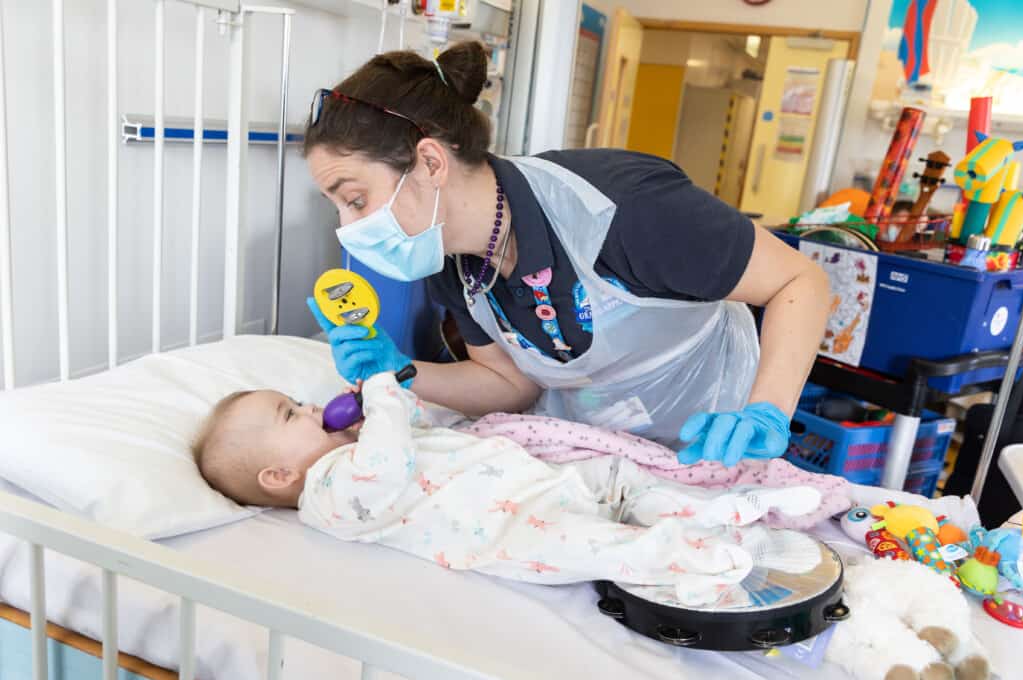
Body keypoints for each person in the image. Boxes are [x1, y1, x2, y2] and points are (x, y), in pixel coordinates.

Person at [301, 41, 831, 464]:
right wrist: (401, 371)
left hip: (717, 431)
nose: (349, 227)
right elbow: (508, 384)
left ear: (431, 163)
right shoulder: (451, 262)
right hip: (601, 451)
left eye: (355, 199)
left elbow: (800, 284)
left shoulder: (625, 207)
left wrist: (765, 412)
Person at [192, 372, 823, 605]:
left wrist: (391, 413)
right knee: (603, 546)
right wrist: (381, 397)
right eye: (289, 415)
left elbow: (407, 442)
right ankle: (690, 556)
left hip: (543, 483)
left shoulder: (351, 449)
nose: (308, 408)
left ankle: (726, 510)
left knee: (625, 480)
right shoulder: (327, 497)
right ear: (278, 478)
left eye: (298, 401)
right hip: (515, 530)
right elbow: (386, 472)